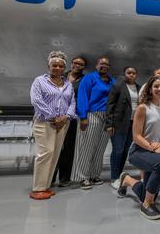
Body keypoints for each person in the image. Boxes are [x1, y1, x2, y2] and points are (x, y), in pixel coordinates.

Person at [117, 76, 160, 220]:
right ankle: (147, 205)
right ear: (150, 89)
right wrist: (153, 148)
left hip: (154, 152)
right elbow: (136, 137)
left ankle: (127, 179)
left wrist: (159, 145)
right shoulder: (143, 108)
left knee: (146, 192)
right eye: (156, 86)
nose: (159, 89)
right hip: (139, 151)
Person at [29, 51, 77, 200]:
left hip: (63, 123)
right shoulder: (39, 81)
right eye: (54, 65)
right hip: (45, 123)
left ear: (64, 68)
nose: (57, 68)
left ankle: (46, 185)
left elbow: (72, 102)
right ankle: (37, 189)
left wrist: (67, 116)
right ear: (48, 66)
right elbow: (36, 100)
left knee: (55, 154)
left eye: (60, 66)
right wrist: (53, 117)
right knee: (46, 153)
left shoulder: (68, 84)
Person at [72, 56, 116, 189]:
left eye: (107, 64)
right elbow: (82, 96)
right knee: (87, 147)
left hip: (107, 117)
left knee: (100, 148)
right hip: (92, 115)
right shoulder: (89, 78)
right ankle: (83, 177)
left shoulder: (112, 81)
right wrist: (83, 116)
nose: (104, 66)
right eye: (101, 63)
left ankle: (94, 175)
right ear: (96, 65)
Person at [52, 55, 86, 187]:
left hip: (72, 116)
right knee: (54, 148)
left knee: (69, 148)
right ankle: (50, 177)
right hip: (56, 116)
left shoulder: (84, 80)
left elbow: (81, 98)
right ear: (71, 64)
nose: (77, 65)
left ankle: (65, 178)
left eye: (81, 64)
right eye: (75, 63)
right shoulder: (61, 76)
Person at [106, 66, 140, 189]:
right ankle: (114, 177)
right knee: (117, 150)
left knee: (125, 150)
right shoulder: (118, 86)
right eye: (129, 72)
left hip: (133, 124)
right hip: (119, 124)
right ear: (124, 74)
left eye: (133, 73)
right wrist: (109, 124)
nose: (131, 75)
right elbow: (110, 105)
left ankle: (120, 174)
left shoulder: (139, 88)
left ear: (136, 75)